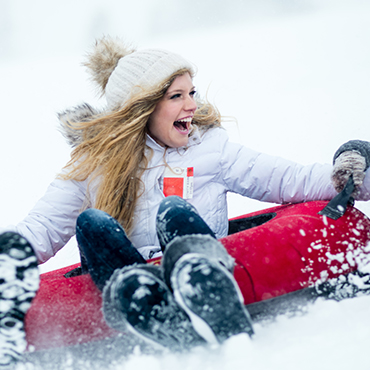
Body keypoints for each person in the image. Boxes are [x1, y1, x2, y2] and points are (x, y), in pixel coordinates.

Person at [1, 36, 370, 365]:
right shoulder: (93, 164)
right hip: (127, 276)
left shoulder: (210, 148)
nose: (191, 105)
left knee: (174, 210)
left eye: (191, 92)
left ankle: (208, 295)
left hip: (192, 260)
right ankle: (146, 303)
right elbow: (42, 228)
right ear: (141, 109)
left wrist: (347, 174)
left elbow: (285, 178)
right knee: (91, 223)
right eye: (176, 96)